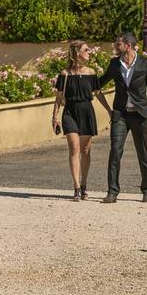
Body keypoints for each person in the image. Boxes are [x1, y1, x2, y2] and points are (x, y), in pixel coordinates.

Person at [99, 32, 147, 204]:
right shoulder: (114, 64)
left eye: (117, 44)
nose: (114, 46)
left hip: (140, 115)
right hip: (120, 114)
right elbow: (101, 81)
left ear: (127, 45)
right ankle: (112, 191)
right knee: (115, 151)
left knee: (143, 153)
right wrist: (81, 78)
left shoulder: (145, 64)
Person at [51, 40, 112, 201]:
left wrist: (109, 110)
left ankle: (84, 184)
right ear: (77, 53)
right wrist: (54, 117)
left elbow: (98, 93)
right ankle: (76, 187)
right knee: (74, 148)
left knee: (85, 151)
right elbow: (58, 98)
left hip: (87, 111)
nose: (89, 52)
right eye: (86, 50)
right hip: (70, 112)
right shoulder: (64, 75)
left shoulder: (91, 73)